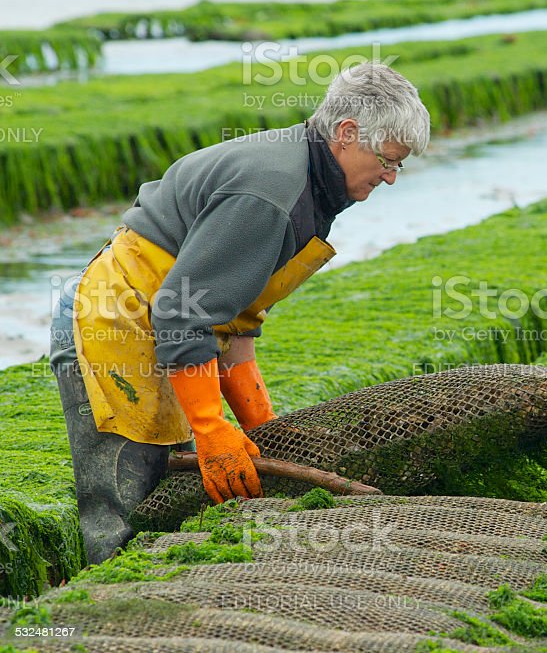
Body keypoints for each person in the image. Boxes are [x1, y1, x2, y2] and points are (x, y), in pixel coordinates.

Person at [49, 62, 431, 564]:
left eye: (399, 165)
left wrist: (262, 428)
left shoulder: (311, 184)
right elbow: (184, 313)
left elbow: (233, 320)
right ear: (346, 134)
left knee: (165, 489)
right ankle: (102, 621)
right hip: (115, 328)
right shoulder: (270, 191)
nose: (391, 177)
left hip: (158, 328)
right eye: (388, 160)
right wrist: (210, 428)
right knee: (125, 507)